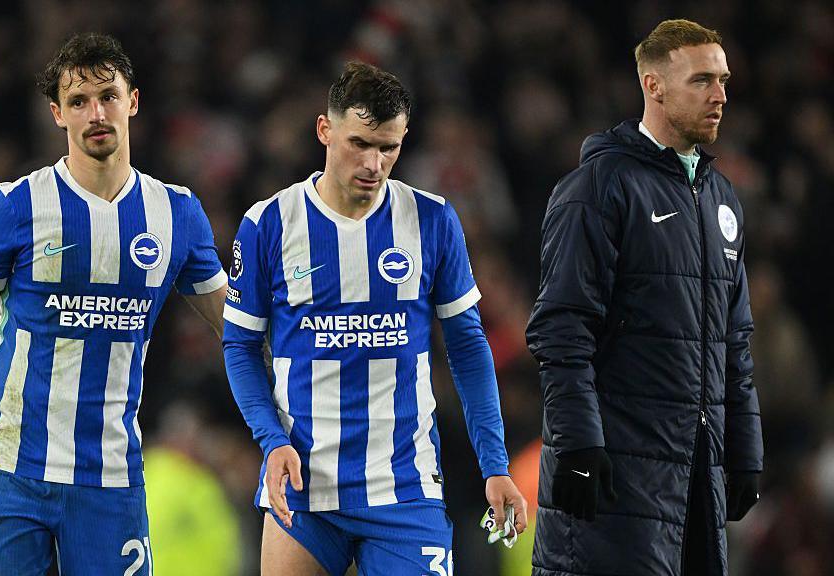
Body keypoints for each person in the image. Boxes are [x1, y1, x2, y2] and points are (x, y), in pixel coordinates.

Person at [0, 33, 227, 575]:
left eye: (108, 95)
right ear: (57, 114)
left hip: (109, 480)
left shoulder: (176, 214)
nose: (96, 112)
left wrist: (305, 410)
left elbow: (237, 327)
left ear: (133, 101)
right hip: (13, 473)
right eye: (78, 101)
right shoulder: (16, 206)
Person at [222, 61, 527, 576]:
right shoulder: (268, 223)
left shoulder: (431, 220)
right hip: (305, 487)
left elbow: (469, 347)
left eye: (389, 147)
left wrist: (495, 465)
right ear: (325, 130)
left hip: (405, 490)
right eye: (360, 143)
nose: (374, 163)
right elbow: (239, 346)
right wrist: (271, 440)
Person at [525, 19, 763, 576]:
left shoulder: (721, 198)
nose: (721, 95)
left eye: (724, 80)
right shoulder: (598, 188)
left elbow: (736, 341)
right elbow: (561, 330)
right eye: (702, 80)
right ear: (653, 86)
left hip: (693, 481)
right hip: (615, 473)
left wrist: (745, 450)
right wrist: (579, 444)